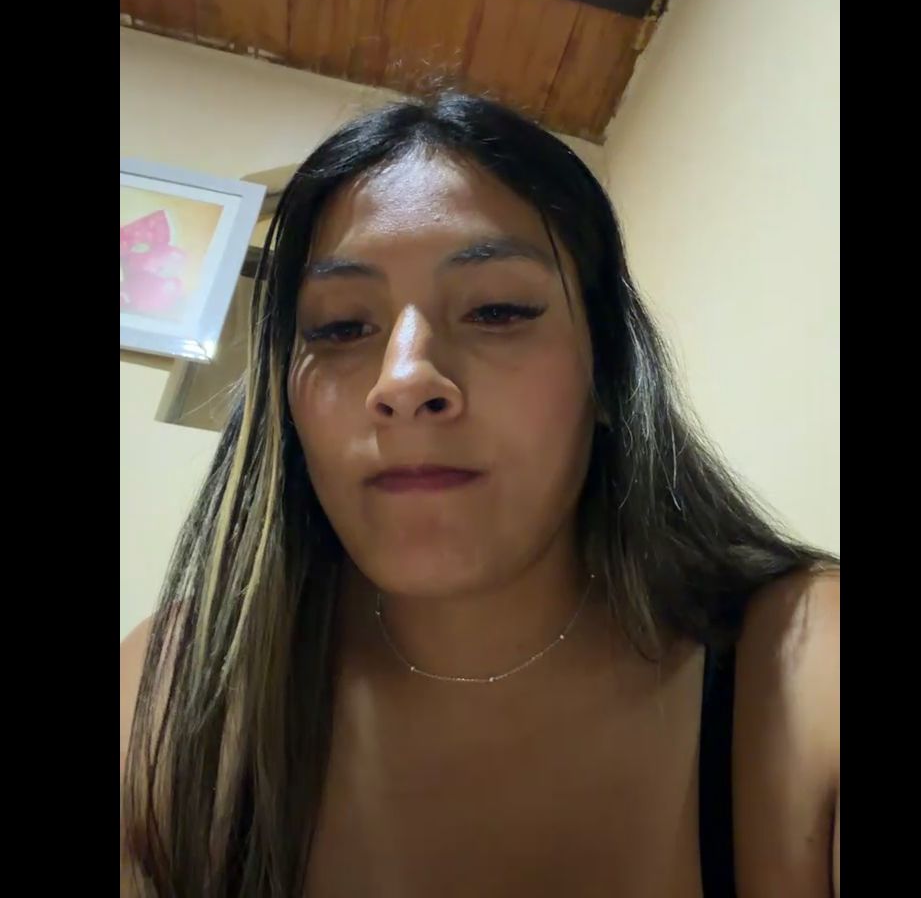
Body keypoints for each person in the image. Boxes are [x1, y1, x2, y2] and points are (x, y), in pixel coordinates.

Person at [120, 93, 839, 897]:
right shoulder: (178, 686)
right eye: (340, 327)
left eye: (498, 310)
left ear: (608, 373)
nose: (404, 380)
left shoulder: (804, 666)